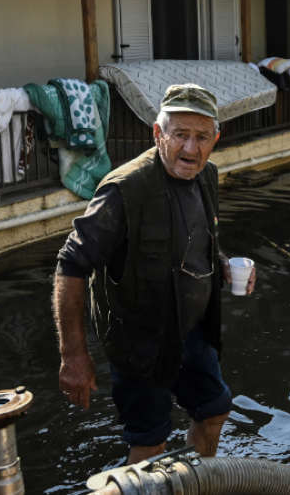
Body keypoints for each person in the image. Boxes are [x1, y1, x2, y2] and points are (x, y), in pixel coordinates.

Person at [53, 83, 256, 464]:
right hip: (141, 342)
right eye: (180, 135)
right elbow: (71, 263)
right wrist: (74, 355)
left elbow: (199, 239)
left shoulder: (207, 176)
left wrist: (224, 263)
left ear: (216, 138)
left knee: (214, 411)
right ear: (158, 133)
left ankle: (198, 484)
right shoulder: (125, 189)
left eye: (201, 137)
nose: (191, 150)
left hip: (194, 333)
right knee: (150, 444)